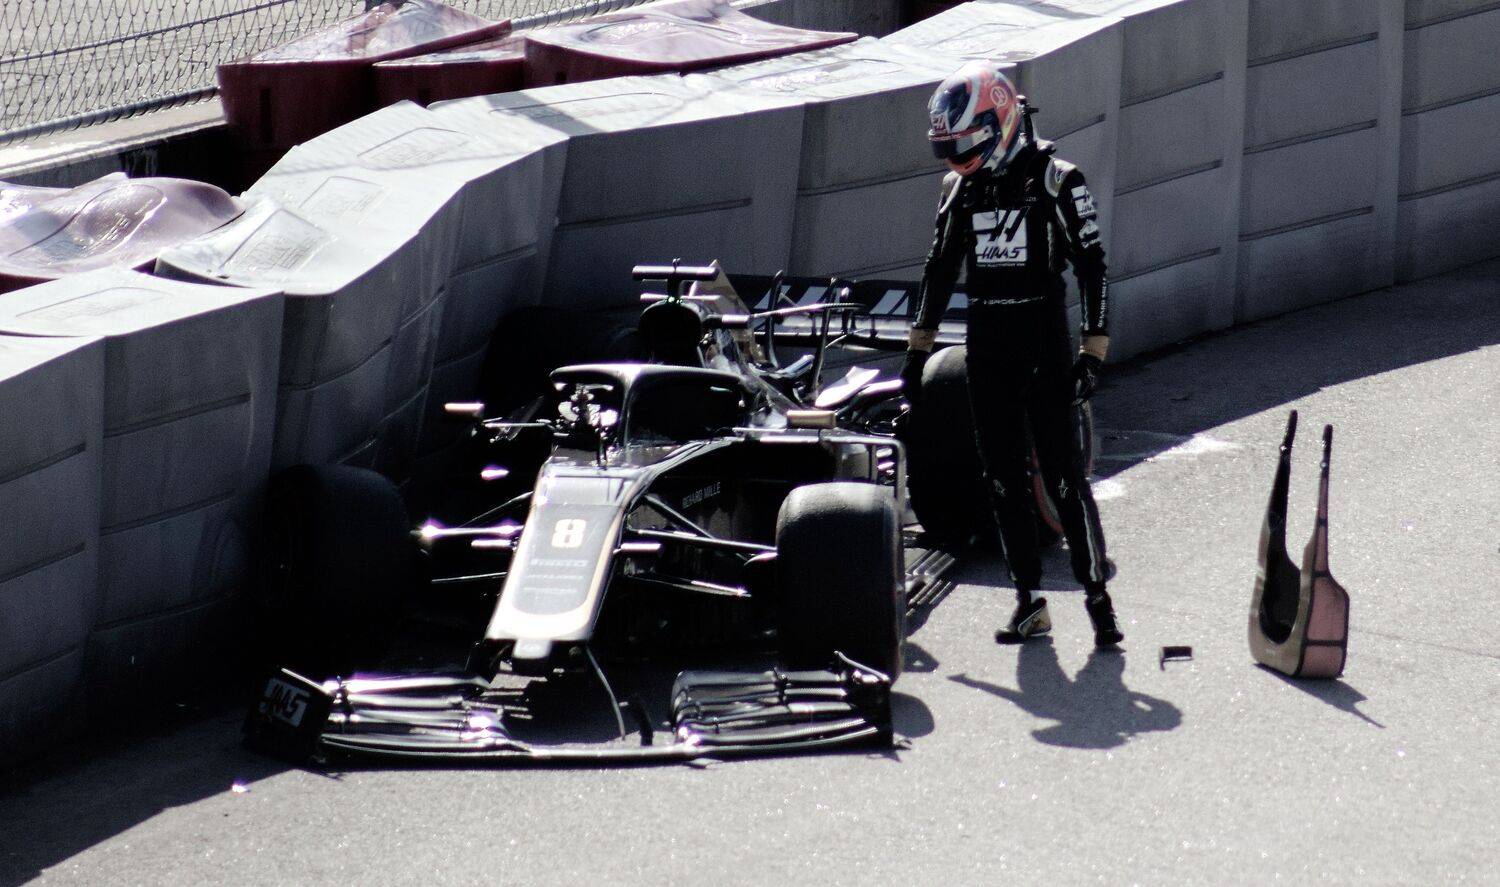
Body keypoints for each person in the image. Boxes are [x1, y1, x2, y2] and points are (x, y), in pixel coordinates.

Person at [900, 60, 1123, 649]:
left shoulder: (1057, 179)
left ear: (996, 123)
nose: (956, 158)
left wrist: (1093, 349)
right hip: (986, 349)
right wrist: (918, 350)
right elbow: (939, 269)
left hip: (1043, 344)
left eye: (963, 143)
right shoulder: (958, 189)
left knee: (1064, 479)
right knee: (1002, 482)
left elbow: (1093, 266)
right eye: (947, 148)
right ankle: (1028, 602)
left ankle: (1098, 600)